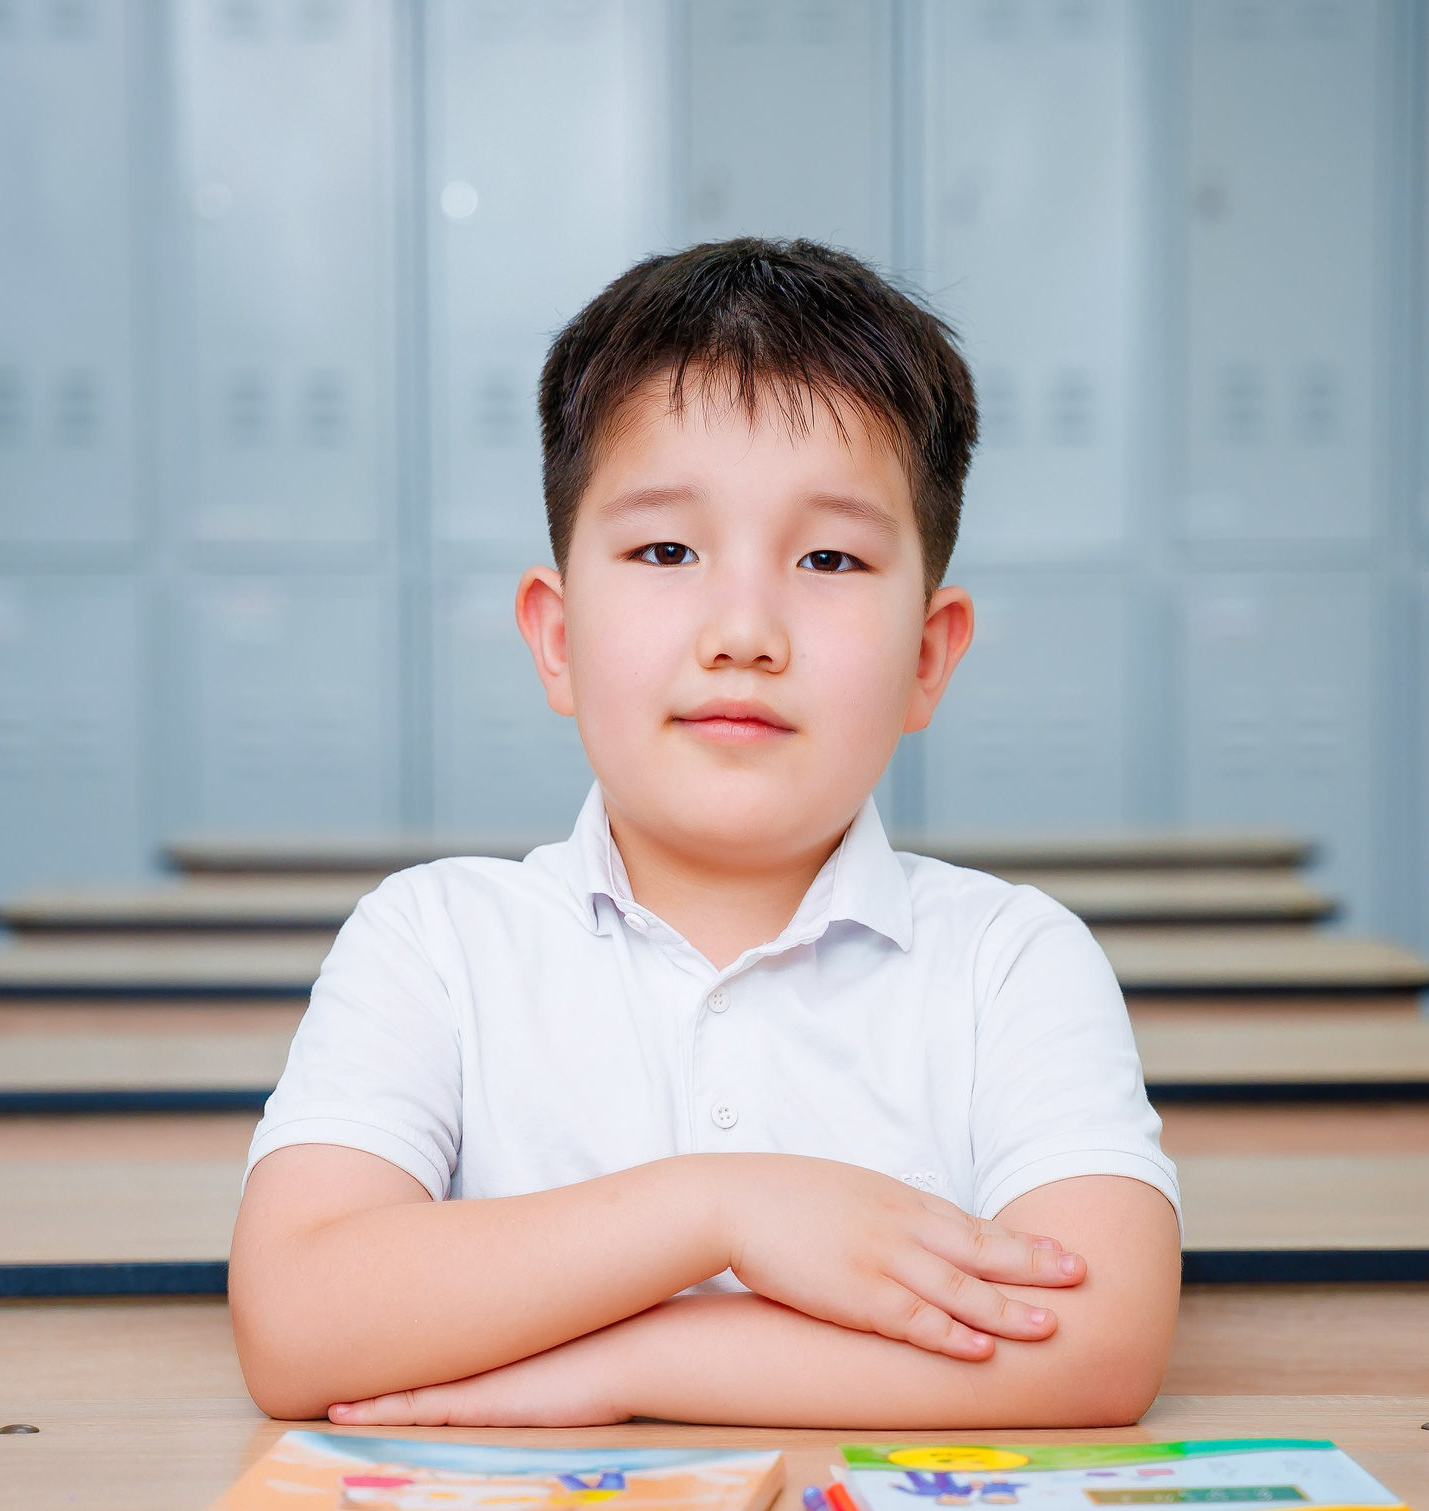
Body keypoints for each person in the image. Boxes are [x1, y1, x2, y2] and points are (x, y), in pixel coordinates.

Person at [230, 238, 1180, 1429]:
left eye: (828, 557)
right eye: (666, 551)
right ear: (556, 638)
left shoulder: (1011, 961)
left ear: (927, 658)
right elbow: (296, 1323)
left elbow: (1096, 1346)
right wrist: (721, 1209)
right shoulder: (434, 942)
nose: (743, 631)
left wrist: (623, 1366)